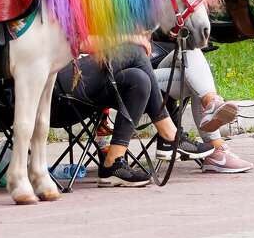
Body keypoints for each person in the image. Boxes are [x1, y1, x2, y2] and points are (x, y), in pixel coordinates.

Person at [54, 40, 213, 187]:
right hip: (52, 92)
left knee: (139, 79)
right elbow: (72, 42)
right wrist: (124, 38)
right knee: (133, 50)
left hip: (85, 92)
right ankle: (170, 136)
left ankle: (112, 164)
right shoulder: (52, 9)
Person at [151, 39, 254, 174]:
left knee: (190, 49)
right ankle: (216, 150)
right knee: (195, 79)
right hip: (136, 74)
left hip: (160, 61)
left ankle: (211, 103)